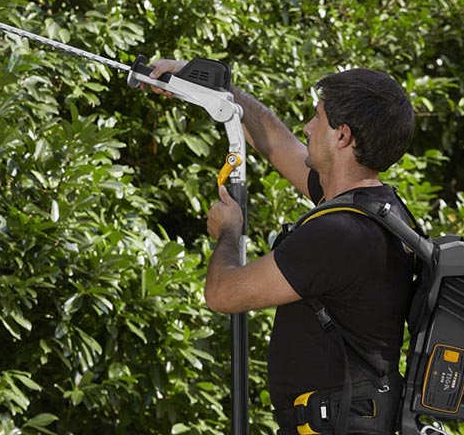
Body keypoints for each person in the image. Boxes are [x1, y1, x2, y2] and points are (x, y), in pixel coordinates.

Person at [147, 60, 416, 435]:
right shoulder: (378, 210)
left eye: (316, 117)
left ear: (341, 136)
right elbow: (276, 144)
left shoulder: (341, 234)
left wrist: (229, 232)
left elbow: (223, 294)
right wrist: (216, 88)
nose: (306, 127)